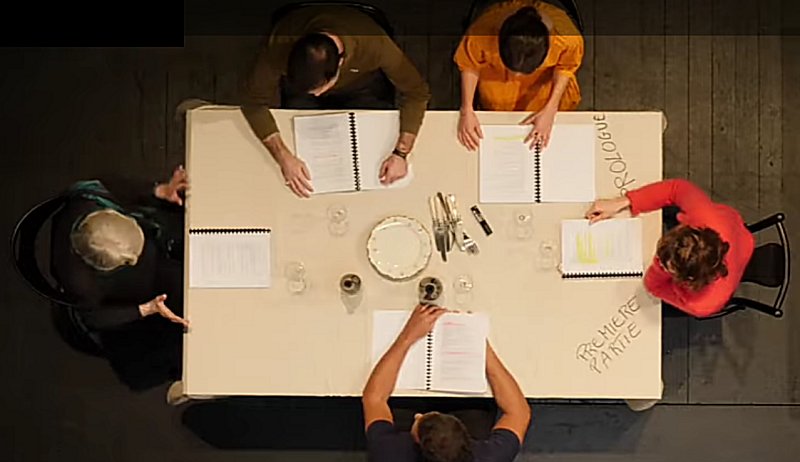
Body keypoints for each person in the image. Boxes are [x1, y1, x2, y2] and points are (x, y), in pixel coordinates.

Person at [241, 4, 431, 198]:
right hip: (300, 89)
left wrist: (401, 153)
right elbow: (253, 101)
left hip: (360, 86)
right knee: (296, 164)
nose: (317, 96)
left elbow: (417, 92)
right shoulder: (279, 45)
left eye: (321, 88)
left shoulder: (375, 45)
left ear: (341, 63)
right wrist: (283, 156)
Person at [362, 304, 531, 462]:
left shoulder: (390, 458)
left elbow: (374, 398)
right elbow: (518, 412)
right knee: (480, 404)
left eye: (420, 421)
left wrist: (407, 337)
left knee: (396, 401)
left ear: (415, 444)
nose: (419, 416)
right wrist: (479, 346)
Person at [50, 167, 190, 390]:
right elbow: (93, 318)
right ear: (103, 267)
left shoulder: (91, 198)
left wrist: (161, 191)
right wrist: (145, 309)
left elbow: (112, 182)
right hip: (138, 291)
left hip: (156, 264)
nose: (136, 258)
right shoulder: (81, 284)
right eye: (130, 260)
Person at [585, 179, 755, 318]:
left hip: (736, 245)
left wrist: (659, 267)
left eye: (667, 265)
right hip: (739, 236)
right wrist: (622, 202)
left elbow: (653, 286)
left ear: (686, 280)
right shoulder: (705, 217)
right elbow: (676, 188)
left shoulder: (701, 303)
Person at [454, 0, 584, 151]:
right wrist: (467, 110)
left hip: (544, 86)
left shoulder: (568, 38)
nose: (516, 75)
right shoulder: (482, 31)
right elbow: (469, 64)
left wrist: (551, 109)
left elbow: (566, 67)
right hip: (496, 82)